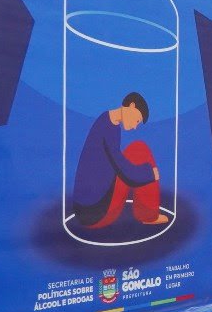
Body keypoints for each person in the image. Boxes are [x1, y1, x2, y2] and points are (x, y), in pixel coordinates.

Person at [72, 92, 168, 228]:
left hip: (86, 210)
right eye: (137, 121)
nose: (135, 126)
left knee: (135, 150)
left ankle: (146, 213)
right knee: (140, 151)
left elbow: (116, 162)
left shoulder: (107, 120)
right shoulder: (108, 128)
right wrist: (151, 174)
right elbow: (127, 174)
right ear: (132, 106)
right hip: (97, 214)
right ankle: (149, 216)